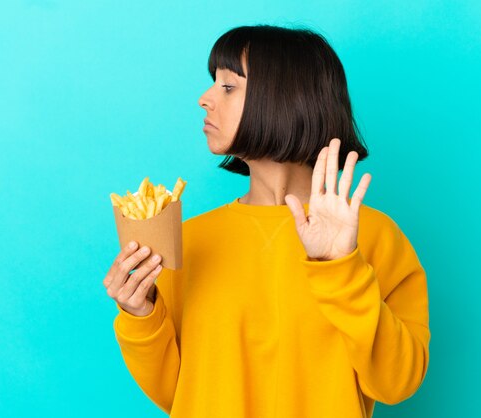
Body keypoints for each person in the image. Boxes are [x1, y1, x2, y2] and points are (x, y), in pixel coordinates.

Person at [103, 24, 430, 418]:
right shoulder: (187, 240)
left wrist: (341, 270)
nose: (204, 99)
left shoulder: (375, 237)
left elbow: (398, 382)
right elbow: (180, 393)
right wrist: (142, 316)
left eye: (228, 87)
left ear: (283, 98)